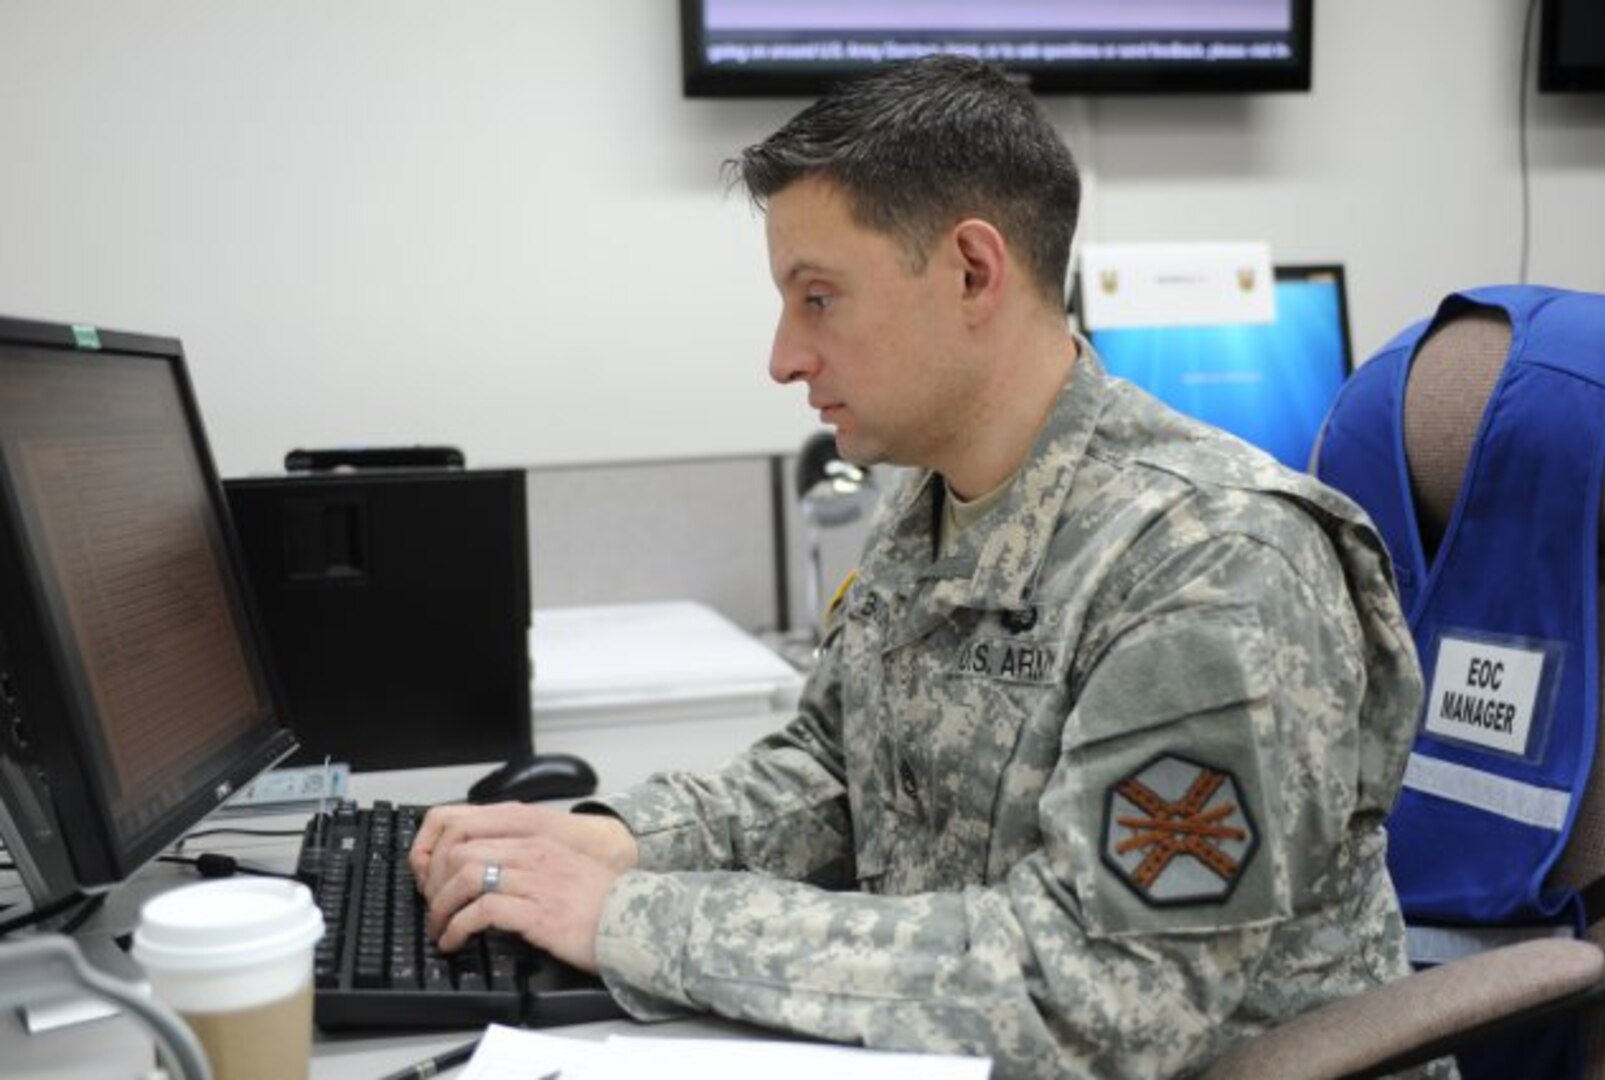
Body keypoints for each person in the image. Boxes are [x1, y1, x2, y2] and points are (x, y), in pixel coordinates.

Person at [410, 55, 1441, 1078]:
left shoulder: (1215, 563)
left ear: (973, 273)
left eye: (819, 298)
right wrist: (620, 842)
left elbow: (1097, 995)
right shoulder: (937, 496)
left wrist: (639, 921)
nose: (783, 357)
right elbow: (835, 773)